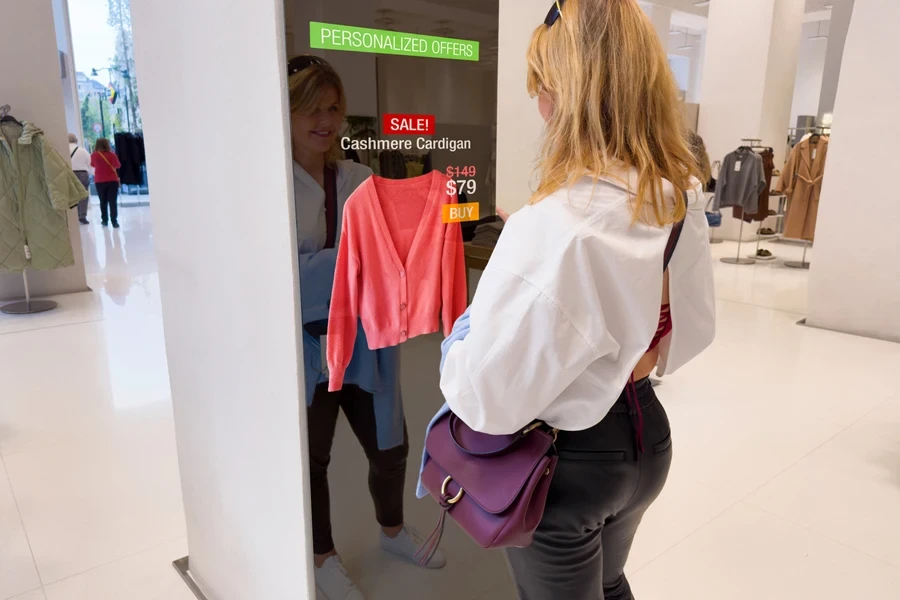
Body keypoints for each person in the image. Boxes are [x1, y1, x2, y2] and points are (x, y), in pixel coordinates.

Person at [435, 1, 716, 599]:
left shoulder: (554, 223)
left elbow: (484, 399)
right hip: (644, 442)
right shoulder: (675, 198)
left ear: (570, 92)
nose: (539, 106)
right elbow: (689, 333)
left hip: (567, 463)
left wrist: (469, 321)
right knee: (610, 585)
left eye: (543, 87)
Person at [288, 54, 446, 600]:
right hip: (304, 348)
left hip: (366, 339)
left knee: (390, 446)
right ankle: (322, 557)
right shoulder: (269, 186)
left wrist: (327, 266)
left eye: (333, 107)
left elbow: (388, 259)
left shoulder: (358, 177)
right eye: (312, 107)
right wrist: (348, 263)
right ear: (285, 111)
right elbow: (280, 281)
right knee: (313, 458)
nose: (325, 120)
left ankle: (394, 532)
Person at [90, 138, 121, 228]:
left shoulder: (94, 155)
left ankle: (104, 220)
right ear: (107, 144)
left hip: (99, 180)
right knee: (112, 201)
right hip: (112, 180)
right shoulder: (112, 155)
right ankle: (114, 221)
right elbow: (118, 165)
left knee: (102, 201)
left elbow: (92, 165)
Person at [68, 133, 93, 224]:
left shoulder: (65, 150)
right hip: (82, 174)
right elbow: (90, 163)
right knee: (83, 195)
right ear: (76, 140)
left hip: (69, 173)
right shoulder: (83, 151)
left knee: (71, 195)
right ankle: (82, 215)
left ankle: (72, 216)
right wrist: (91, 173)